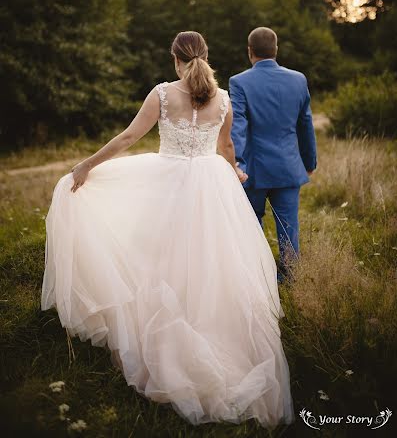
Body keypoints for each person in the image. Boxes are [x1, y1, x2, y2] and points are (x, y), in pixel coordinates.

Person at [41, 30, 295, 429]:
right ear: (205, 56)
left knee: (155, 255)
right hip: (212, 185)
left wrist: (87, 164)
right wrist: (234, 172)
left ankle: (168, 330)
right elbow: (226, 149)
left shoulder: (161, 93)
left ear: (175, 59)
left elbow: (128, 137)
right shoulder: (223, 99)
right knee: (215, 260)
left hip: (169, 183)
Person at [229, 27, 317, 283]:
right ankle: (290, 278)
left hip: (253, 171)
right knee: (289, 226)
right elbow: (305, 124)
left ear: (250, 51)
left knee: (251, 224)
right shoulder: (298, 79)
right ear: (276, 50)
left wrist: (238, 163)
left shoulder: (239, 82)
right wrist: (309, 162)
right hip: (289, 167)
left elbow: (239, 125)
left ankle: (259, 275)